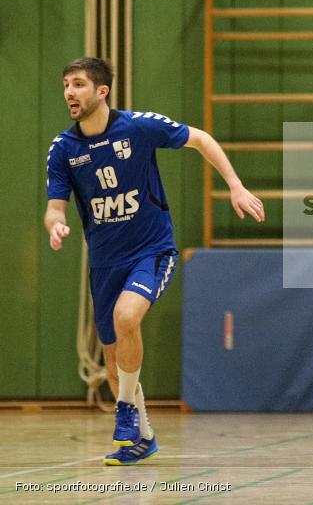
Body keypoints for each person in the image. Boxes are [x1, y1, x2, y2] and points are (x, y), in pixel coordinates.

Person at [45, 57, 265, 465]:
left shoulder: (139, 127)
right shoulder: (63, 149)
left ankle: (126, 412)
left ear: (102, 91)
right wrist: (56, 224)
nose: (69, 93)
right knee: (113, 366)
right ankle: (142, 437)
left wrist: (235, 185)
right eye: (66, 85)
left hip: (151, 251)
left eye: (78, 84)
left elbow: (201, 139)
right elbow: (54, 207)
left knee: (127, 316)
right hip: (104, 264)